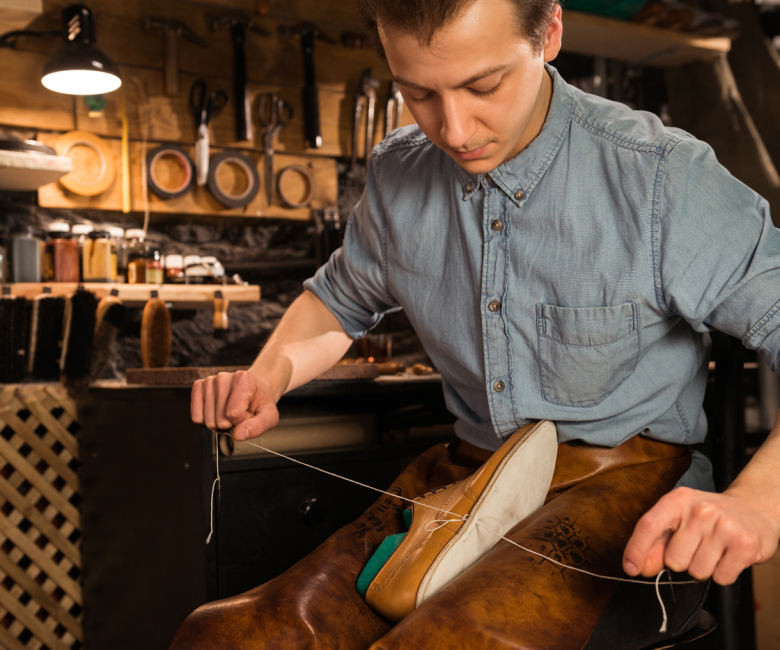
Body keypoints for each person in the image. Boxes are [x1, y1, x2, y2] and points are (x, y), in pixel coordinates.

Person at [178, 0, 780, 647]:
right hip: (464, 483)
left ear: (549, 33)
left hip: (629, 486)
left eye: (484, 86)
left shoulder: (659, 175)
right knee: (232, 636)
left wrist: (758, 501)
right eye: (418, 94)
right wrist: (267, 377)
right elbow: (339, 300)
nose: (455, 129)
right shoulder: (398, 172)